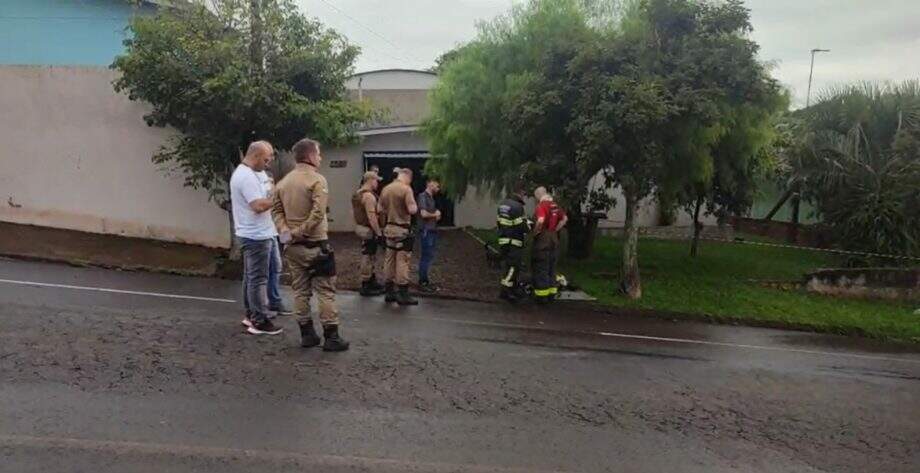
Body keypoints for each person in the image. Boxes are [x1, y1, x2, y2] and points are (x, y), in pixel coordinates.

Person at [271, 138, 349, 351]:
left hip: (292, 249)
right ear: (310, 156)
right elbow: (317, 213)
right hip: (315, 245)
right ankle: (331, 337)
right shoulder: (317, 180)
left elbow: (276, 211)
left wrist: (285, 231)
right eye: (319, 153)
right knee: (325, 291)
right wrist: (298, 232)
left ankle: (307, 334)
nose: (321, 157)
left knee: (300, 291)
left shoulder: (283, 183)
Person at [230, 140, 283, 335]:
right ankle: (259, 320)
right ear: (256, 156)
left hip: (262, 232)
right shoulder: (245, 177)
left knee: (256, 275)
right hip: (255, 235)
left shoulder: (253, 174)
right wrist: (278, 197)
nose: (268, 163)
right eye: (266, 159)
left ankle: (252, 313)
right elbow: (258, 205)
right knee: (258, 278)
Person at [242, 169, 292, 318]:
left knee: (275, 267)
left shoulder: (269, 195)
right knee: (255, 274)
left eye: (271, 182)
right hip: (257, 235)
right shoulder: (256, 195)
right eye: (267, 182)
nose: (271, 185)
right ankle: (253, 308)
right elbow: (258, 208)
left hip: (270, 232)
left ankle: (273, 301)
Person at [378, 168, 419, 305]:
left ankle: (389, 291)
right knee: (402, 261)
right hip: (402, 230)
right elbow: (412, 209)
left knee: (389, 259)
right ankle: (403, 293)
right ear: (407, 176)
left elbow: (379, 209)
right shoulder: (406, 189)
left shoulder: (386, 189)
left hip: (389, 229)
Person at [531, 186, 567, 303]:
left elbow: (541, 220)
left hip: (543, 241)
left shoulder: (541, 206)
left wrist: (536, 231)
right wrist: (556, 230)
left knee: (542, 267)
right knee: (552, 268)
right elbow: (564, 218)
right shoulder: (555, 206)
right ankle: (552, 294)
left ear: (538, 196)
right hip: (554, 240)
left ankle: (541, 296)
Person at [352, 170, 385, 296]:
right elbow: (372, 216)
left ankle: (371, 280)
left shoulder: (357, 194)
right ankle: (367, 283)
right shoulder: (369, 196)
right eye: (376, 180)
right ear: (370, 180)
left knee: (369, 254)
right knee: (368, 255)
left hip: (361, 228)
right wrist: (379, 233)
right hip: (368, 229)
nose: (377, 183)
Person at [496, 188, 528, 302]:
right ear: (520, 193)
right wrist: (529, 225)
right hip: (514, 241)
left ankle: (512, 288)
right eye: (524, 194)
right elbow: (521, 226)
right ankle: (506, 290)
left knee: (508, 265)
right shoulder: (517, 207)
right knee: (513, 267)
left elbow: (500, 222)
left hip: (504, 240)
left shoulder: (502, 205)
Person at [416, 178, 442, 292]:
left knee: (429, 256)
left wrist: (436, 215)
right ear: (430, 184)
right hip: (426, 230)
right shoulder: (423, 197)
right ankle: (423, 281)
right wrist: (434, 214)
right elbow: (423, 213)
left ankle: (425, 279)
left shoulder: (431, 198)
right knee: (426, 256)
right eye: (437, 185)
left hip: (431, 230)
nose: (438, 188)